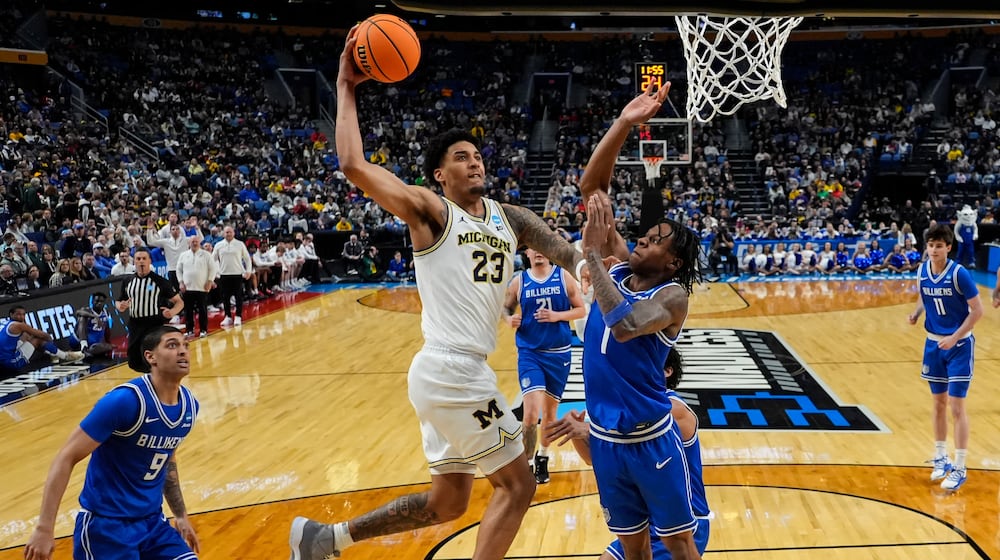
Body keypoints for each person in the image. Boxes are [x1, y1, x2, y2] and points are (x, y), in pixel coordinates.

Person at [288, 30, 586, 560]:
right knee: (518, 485)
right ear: (438, 175)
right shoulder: (432, 211)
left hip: (454, 372)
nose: (475, 163)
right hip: (452, 372)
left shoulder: (507, 216)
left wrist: (592, 267)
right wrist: (345, 85)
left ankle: (325, 539)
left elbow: (556, 246)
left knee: (448, 503)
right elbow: (354, 166)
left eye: (477, 156)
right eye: (461, 157)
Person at [574, 82, 703, 560]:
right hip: (606, 439)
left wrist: (591, 255)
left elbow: (624, 325)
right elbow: (593, 190)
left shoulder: (672, 296)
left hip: (651, 438)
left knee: (677, 541)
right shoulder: (624, 266)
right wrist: (624, 123)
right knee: (632, 547)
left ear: (672, 262)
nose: (645, 239)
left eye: (657, 240)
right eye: (646, 234)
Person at [24, 326, 201, 560]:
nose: (182, 352)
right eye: (172, 345)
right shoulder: (125, 401)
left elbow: (167, 460)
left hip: (152, 524)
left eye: (185, 346)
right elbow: (66, 456)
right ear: (150, 357)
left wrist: (180, 514)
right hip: (106, 528)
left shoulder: (189, 406)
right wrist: (44, 528)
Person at [547, 349, 711, 560]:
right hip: (647, 521)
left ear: (667, 371)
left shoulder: (676, 409)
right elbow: (591, 458)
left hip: (686, 520)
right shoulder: (620, 413)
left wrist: (588, 429)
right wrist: (576, 431)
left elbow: (640, 425)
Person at [908, 223, 983, 491]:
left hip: (960, 345)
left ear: (948, 248)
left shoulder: (959, 274)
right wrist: (917, 313)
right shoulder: (922, 270)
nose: (934, 250)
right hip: (932, 345)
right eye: (930, 245)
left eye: (939, 245)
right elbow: (925, 297)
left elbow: (978, 311)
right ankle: (941, 457)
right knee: (938, 404)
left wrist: (955, 336)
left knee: (956, 406)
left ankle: (961, 467)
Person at [501, 248, 585, 483]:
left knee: (549, 414)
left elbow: (581, 309)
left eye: (542, 248)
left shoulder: (563, 276)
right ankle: (526, 465)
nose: (539, 252)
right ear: (527, 252)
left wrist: (557, 316)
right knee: (530, 414)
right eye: (534, 248)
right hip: (530, 353)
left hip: (559, 354)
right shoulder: (519, 281)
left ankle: (543, 457)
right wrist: (509, 318)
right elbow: (505, 307)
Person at [116, 248, 184, 373]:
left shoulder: (160, 281)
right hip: (135, 324)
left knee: (152, 358)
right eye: (138, 259)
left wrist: (172, 312)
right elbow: (119, 300)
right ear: (134, 262)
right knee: (134, 361)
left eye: (144, 259)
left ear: (149, 261)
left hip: (153, 324)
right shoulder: (128, 281)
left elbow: (179, 302)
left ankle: (156, 383)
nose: (141, 262)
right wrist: (120, 306)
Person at [0, 306, 83, 371]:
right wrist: (50, 343)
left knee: (26, 337)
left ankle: (53, 354)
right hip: (11, 362)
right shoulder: (18, 325)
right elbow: (44, 335)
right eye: (18, 314)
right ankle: (65, 356)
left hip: (2, 362)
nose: (21, 317)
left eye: (23, 314)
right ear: (11, 314)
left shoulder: (5, 323)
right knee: (37, 340)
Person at [176, 236, 218, 338]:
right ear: (189, 243)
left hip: (202, 288)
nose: (194, 243)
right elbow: (179, 270)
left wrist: (210, 281)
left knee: (202, 310)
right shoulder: (183, 255)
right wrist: (181, 282)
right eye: (192, 242)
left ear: (199, 243)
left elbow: (213, 269)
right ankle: (189, 329)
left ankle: (203, 330)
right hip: (188, 288)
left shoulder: (206, 255)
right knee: (188, 310)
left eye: (196, 242)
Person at [213, 226, 252, 327]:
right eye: (226, 232)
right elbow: (213, 260)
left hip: (237, 274)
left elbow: (247, 258)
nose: (228, 234)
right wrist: (215, 273)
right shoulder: (218, 245)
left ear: (234, 233)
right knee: (225, 297)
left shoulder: (240, 244)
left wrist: (248, 271)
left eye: (230, 232)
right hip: (224, 275)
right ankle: (228, 316)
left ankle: (238, 316)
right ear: (223, 234)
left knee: (238, 296)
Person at [74, 292, 114, 358]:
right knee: (82, 318)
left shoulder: (106, 312)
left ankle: (86, 352)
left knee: (109, 347)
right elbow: (78, 312)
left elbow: (107, 329)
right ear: (92, 302)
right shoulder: (87, 310)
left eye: (101, 301)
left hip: (94, 343)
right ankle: (83, 347)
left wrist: (108, 343)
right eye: (97, 301)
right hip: (79, 340)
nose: (99, 303)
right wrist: (94, 317)